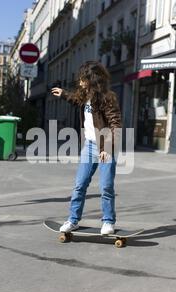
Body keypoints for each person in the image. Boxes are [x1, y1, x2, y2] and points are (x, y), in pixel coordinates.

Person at [51, 61, 122, 235]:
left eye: (83, 78)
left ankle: (108, 222)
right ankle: (73, 220)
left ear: (92, 79)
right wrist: (63, 94)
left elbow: (115, 124)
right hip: (89, 146)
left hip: (107, 148)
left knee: (106, 186)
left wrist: (108, 148)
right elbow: (76, 100)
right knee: (80, 184)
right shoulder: (85, 95)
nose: (80, 81)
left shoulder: (108, 97)